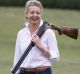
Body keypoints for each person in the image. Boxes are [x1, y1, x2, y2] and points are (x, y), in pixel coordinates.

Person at [12, 0, 60, 74]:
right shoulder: (21, 33)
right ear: (26, 14)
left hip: (43, 72)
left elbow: (55, 58)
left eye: (38, 13)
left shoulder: (48, 32)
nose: (35, 15)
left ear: (41, 15)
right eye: (32, 12)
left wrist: (40, 46)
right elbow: (17, 57)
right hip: (24, 72)